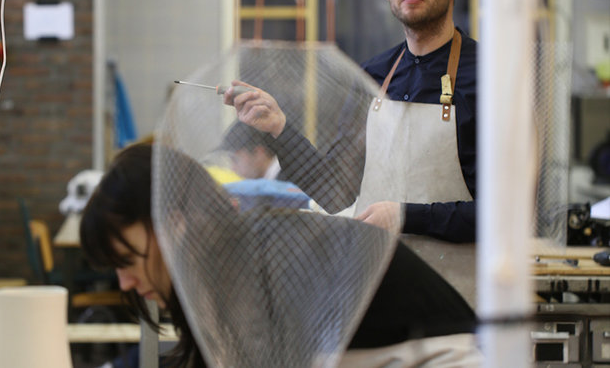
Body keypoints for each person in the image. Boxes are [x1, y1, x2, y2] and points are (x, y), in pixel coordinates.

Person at [80, 142, 479, 368]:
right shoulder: (227, 261)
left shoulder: (253, 264)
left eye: (128, 262)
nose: (125, 284)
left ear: (174, 225)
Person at [224, 0, 476, 245]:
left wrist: (406, 216)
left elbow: (503, 214)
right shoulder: (371, 77)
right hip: (380, 278)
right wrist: (279, 128)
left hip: (457, 285)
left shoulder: (487, 79)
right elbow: (335, 192)